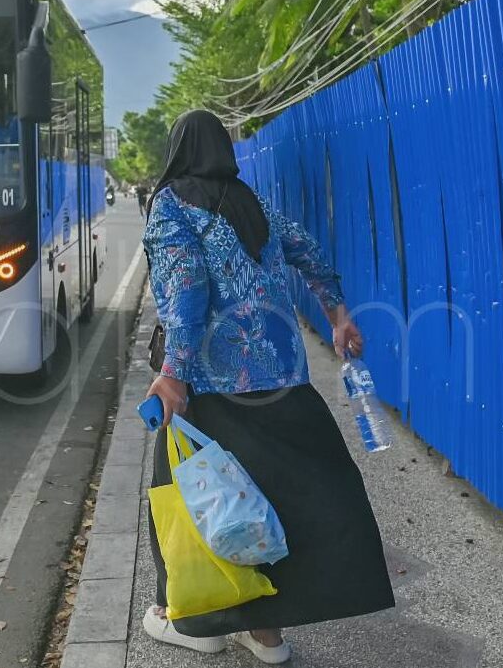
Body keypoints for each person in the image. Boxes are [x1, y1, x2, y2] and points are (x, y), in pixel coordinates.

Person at [141, 109, 394, 663]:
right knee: (277, 499)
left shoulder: (171, 207)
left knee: (200, 499)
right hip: (282, 376)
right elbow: (309, 252)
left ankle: (197, 623)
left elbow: (184, 296)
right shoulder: (248, 202)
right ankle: (268, 634)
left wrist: (173, 373)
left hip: (212, 384)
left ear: (176, 152)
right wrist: (339, 314)